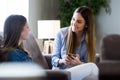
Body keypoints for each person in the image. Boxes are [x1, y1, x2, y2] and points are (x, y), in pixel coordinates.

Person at [52, 6, 98, 80]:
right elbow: (53, 59)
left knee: (93, 68)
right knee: (93, 67)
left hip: (77, 74)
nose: (74, 23)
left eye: (79, 22)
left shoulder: (89, 39)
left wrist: (78, 63)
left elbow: (88, 64)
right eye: (73, 19)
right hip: (62, 72)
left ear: (86, 25)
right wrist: (63, 61)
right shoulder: (61, 33)